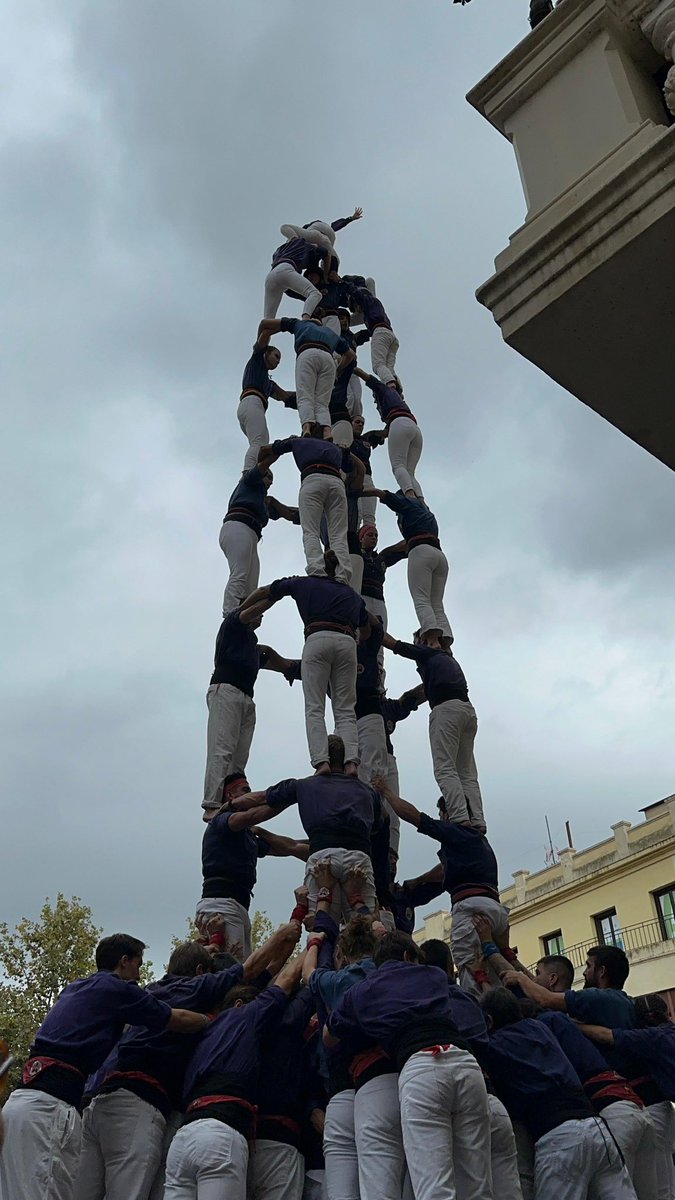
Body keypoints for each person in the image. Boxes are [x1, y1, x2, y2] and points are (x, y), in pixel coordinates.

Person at [74, 929, 299, 1200]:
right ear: (202, 973)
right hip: (139, 1108)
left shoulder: (150, 991)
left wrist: (212, 942)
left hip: (100, 1102)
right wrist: (290, 931)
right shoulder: (199, 993)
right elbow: (252, 972)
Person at [0, 935, 211, 1200]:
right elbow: (173, 1017)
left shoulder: (76, 989)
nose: (139, 974)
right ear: (124, 962)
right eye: (138, 964)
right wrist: (210, 1019)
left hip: (18, 1105)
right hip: (51, 1110)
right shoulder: (117, 990)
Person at [326, 931, 492, 1200]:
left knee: (434, 1187)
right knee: (477, 1186)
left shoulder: (364, 990)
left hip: (422, 1069)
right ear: (408, 956)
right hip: (466, 1065)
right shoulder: (435, 976)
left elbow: (329, 1036)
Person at [164, 942, 304, 1200]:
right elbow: (284, 981)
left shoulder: (203, 1031)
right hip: (221, 1135)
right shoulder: (245, 1017)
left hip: (182, 1140)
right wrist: (315, 940)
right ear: (239, 1004)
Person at [477, 986, 638, 1200]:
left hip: (558, 1140)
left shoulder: (495, 1046)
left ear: (488, 1021)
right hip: (598, 1130)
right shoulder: (540, 1028)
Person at [239, 553, 369, 773]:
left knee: (314, 707)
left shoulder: (303, 582)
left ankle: (322, 761)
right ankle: (351, 763)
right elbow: (366, 630)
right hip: (347, 642)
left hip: (317, 636)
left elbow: (265, 591)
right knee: (345, 709)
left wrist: (240, 611)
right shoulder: (351, 594)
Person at [228, 736, 381, 923]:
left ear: (320, 756)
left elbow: (259, 798)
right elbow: (377, 827)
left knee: (321, 928)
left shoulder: (303, 785)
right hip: (358, 859)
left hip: (322, 859)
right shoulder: (368, 792)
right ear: (344, 758)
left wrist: (228, 806)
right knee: (366, 930)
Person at [374, 781, 506, 995]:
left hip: (472, 910)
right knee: (493, 969)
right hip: (494, 909)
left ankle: (482, 1017)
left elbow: (415, 817)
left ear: (448, 813)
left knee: (470, 969)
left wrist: (386, 792)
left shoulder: (458, 832)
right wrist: (419, 881)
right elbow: (445, 870)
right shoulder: (479, 842)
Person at [198, 771, 308, 958]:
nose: (251, 793)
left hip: (237, 906)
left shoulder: (246, 836)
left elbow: (291, 847)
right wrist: (289, 793)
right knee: (229, 970)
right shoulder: (222, 820)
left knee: (241, 970)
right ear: (230, 796)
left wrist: (326, 840)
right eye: (245, 790)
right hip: (221, 905)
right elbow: (252, 815)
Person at [578, 992, 675, 1200]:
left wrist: (571, 1026)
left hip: (653, 1109)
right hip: (663, 1109)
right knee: (665, 1180)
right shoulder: (667, 1033)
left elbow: (607, 1036)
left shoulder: (650, 1038)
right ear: (667, 1013)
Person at [202, 605, 298, 813]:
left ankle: (234, 798)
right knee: (222, 749)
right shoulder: (232, 627)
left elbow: (284, 666)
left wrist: (314, 667)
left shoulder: (253, 648)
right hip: (226, 690)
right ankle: (211, 804)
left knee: (239, 758)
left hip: (246, 697)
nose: (262, 614)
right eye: (258, 610)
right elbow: (247, 610)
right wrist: (272, 595)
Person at [384, 633, 483, 825]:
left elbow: (395, 645)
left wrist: (371, 624)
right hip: (467, 709)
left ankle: (460, 818)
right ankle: (478, 819)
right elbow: (422, 691)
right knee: (467, 772)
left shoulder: (427, 653)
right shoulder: (448, 659)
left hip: (446, 710)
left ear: (423, 642)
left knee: (445, 768)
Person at [219, 442, 298, 617]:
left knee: (250, 582)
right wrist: (282, 448)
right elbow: (264, 465)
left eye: (272, 479)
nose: (270, 481)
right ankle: (229, 615)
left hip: (250, 532)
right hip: (238, 526)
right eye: (268, 477)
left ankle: (244, 616)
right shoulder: (249, 481)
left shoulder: (262, 500)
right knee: (240, 573)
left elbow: (291, 514)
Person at [269, 431, 357, 585]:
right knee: (338, 534)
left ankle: (317, 570)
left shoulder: (299, 442)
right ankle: (342, 575)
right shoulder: (332, 447)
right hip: (336, 481)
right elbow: (349, 467)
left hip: (312, 478)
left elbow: (269, 449)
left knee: (311, 531)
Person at [367, 492, 451, 646]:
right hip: (439, 554)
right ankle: (445, 640)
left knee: (421, 599)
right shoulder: (428, 514)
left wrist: (364, 491)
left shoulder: (408, 506)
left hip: (420, 550)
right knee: (437, 603)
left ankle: (432, 640)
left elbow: (386, 496)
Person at [257, 317, 355, 438]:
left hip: (307, 353)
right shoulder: (331, 333)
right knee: (323, 402)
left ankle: (307, 427)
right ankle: (327, 431)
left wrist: (259, 346)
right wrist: (337, 370)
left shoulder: (299, 323)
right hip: (328, 358)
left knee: (305, 397)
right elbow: (351, 355)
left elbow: (265, 323)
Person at [355, 369, 422, 498]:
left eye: (375, 400)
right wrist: (376, 434)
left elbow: (368, 378)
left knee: (398, 465)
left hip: (399, 423)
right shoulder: (400, 402)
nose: (376, 404)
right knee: (410, 472)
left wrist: (353, 368)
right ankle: (421, 501)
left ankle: (410, 495)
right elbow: (388, 432)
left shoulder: (384, 390)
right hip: (415, 428)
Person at [237, 328, 297, 471]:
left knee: (263, 445)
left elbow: (285, 396)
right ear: (266, 353)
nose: (278, 361)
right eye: (276, 356)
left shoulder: (267, 383)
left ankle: (256, 472)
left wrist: (309, 395)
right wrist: (272, 327)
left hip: (254, 405)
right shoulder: (257, 361)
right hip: (252, 402)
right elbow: (262, 340)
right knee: (257, 442)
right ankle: (247, 473)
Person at [344, 280, 400, 387]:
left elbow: (357, 293)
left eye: (355, 306)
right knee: (388, 368)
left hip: (379, 332)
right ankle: (397, 389)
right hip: (390, 335)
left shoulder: (368, 301)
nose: (356, 310)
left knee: (378, 365)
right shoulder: (374, 307)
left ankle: (390, 384)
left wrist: (344, 284)